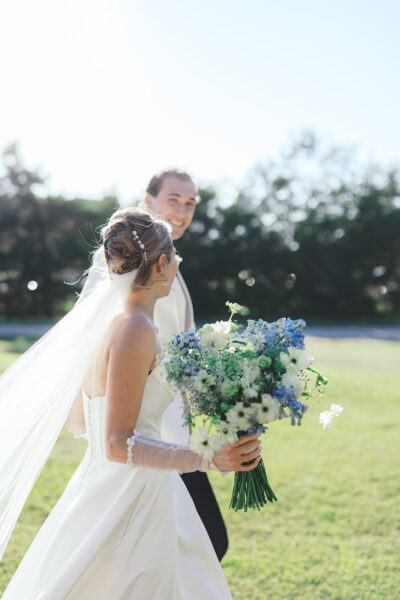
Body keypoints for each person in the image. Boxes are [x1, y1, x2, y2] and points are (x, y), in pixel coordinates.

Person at [2, 207, 263, 598]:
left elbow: (84, 422)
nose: (177, 265)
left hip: (124, 485)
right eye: (174, 256)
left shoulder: (123, 325)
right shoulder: (135, 330)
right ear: (161, 264)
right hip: (128, 496)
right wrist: (207, 459)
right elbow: (116, 442)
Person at [79, 168, 262, 561]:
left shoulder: (170, 277)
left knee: (192, 548)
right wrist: (205, 456)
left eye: (190, 203)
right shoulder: (126, 297)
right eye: (173, 200)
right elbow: (107, 362)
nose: (182, 211)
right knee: (195, 546)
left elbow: (184, 352)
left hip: (171, 427)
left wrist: (229, 399)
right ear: (150, 203)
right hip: (148, 436)